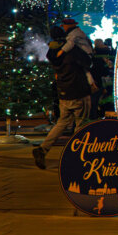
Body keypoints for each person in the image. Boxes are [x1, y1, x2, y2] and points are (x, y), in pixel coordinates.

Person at [33, 26, 92, 169]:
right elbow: (88, 62)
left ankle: (43, 148)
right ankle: (78, 157)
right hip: (78, 91)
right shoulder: (72, 50)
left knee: (62, 123)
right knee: (81, 124)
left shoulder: (52, 52)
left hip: (64, 92)